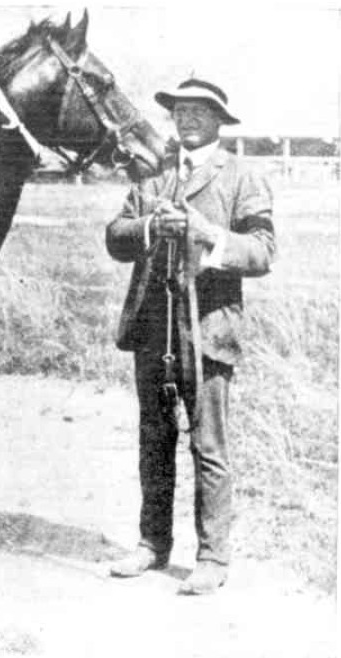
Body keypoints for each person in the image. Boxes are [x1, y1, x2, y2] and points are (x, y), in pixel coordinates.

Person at [105, 78, 275, 594]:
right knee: (152, 441)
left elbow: (263, 251)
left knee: (209, 446)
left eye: (200, 111)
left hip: (208, 332)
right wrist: (150, 227)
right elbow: (115, 236)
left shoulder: (243, 176)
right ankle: (152, 545)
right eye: (180, 111)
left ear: (220, 120)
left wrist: (208, 235)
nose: (187, 119)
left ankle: (213, 558)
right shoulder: (152, 178)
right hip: (153, 331)